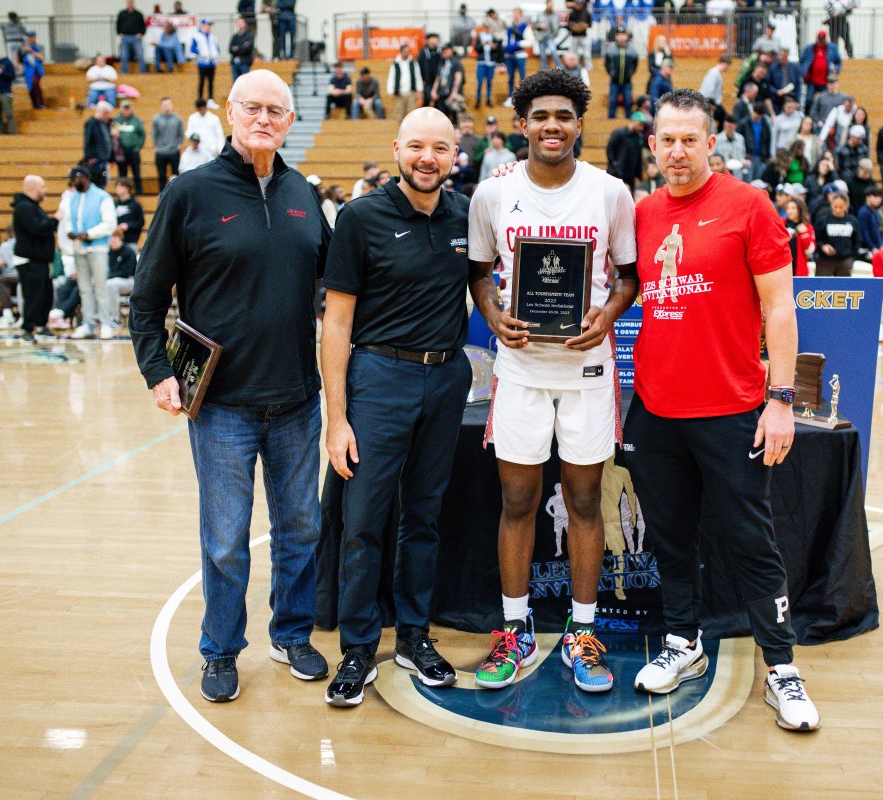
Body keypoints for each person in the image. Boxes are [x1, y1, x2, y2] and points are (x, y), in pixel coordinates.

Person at [130, 69, 332, 704]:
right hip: (220, 406)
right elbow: (145, 298)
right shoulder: (189, 193)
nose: (264, 119)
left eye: (277, 110)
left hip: (298, 399)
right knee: (224, 540)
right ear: (228, 111)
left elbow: (340, 281)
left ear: (290, 122)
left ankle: (292, 633)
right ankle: (220, 649)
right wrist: (158, 372)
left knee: (301, 528)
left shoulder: (304, 194)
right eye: (253, 107)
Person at [623, 87, 819, 731]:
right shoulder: (644, 212)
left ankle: (782, 667)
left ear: (712, 143)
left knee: (749, 539)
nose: (677, 151)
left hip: (732, 409)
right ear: (652, 146)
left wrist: (781, 399)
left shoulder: (749, 205)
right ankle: (685, 642)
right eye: (666, 139)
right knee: (672, 539)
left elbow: (781, 309)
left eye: (690, 139)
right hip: (656, 409)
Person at [467, 68, 638, 695]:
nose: (552, 126)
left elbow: (629, 277)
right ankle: (514, 630)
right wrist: (492, 316)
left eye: (564, 116)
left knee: (586, 502)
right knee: (517, 503)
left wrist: (608, 316)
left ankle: (582, 630)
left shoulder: (610, 192)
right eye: (540, 116)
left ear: (579, 124)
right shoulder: (493, 194)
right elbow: (479, 272)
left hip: (589, 372)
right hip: (520, 371)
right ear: (522, 124)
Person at [320, 107, 473, 707]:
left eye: (440, 147)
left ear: (455, 153)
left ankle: (412, 635)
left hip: (445, 379)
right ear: (397, 149)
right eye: (416, 147)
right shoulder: (359, 218)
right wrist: (338, 418)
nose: (427, 158)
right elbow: (335, 324)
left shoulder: (467, 213)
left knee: (425, 518)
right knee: (363, 521)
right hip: (378, 378)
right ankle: (358, 647)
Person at [59, 165, 117, 340]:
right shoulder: (72, 198)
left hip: (97, 248)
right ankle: (88, 324)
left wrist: (89, 234)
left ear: (83, 177)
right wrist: (70, 231)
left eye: (75, 179)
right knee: (84, 288)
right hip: (78, 248)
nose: (73, 182)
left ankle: (106, 324)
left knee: (100, 286)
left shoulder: (102, 197)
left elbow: (109, 224)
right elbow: (68, 220)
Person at [9, 175, 56, 342]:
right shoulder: (23, 207)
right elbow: (37, 229)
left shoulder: (33, 207)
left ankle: (42, 326)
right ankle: (27, 329)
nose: (46, 190)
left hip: (40, 260)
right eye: (43, 187)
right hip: (29, 260)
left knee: (45, 295)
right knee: (33, 296)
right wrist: (55, 220)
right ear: (33, 188)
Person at [813, 191, 860, 276]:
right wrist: (823, 246)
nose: (838, 210)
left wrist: (852, 258)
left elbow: (857, 241)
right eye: (835, 206)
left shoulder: (853, 221)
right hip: (825, 261)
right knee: (821, 287)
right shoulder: (823, 219)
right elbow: (816, 238)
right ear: (831, 205)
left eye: (841, 207)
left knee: (842, 288)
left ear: (846, 206)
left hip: (845, 260)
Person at [800, 31, 841, 116]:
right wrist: (804, 72)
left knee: (825, 100)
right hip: (812, 80)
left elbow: (838, 62)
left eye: (823, 39)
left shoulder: (832, 48)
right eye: (819, 39)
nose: (821, 41)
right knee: (809, 100)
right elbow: (802, 61)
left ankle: (824, 117)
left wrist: (835, 70)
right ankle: (807, 118)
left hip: (826, 81)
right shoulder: (810, 48)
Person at [607, 111, 649, 190]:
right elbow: (610, 150)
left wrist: (638, 176)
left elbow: (638, 157)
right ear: (633, 121)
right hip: (615, 175)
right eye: (640, 124)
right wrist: (614, 165)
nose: (642, 128)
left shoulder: (638, 137)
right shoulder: (619, 133)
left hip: (630, 176)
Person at [103, 231, 138, 326]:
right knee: (99, 283)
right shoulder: (108, 252)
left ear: (120, 239)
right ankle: (99, 316)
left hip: (129, 281)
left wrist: (108, 277)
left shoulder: (128, 251)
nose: (112, 241)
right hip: (112, 279)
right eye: (111, 239)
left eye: (115, 239)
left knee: (110, 284)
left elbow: (127, 272)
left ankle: (114, 318)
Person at [605, 27, 638, 119]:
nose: (621, 37)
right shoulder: (611, 49)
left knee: (628, 102)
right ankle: (610, 121)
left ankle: (629, 120)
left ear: (627, 36)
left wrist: (631, 73)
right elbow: (607, 63)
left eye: (623, 35)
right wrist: (611, 73)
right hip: (614, 82)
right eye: (619, 35)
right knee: (612, 102)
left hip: (627, 82)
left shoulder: (632, 49)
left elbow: (635, 63)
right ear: (616, 36)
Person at [114, 102, 146, 196]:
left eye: (128, 108)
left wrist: (138, 147)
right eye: (124, 108)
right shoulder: (116, 120)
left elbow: (142, 135)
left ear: (131, 109)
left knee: (136, 173)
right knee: (122, 175)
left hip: (133, 151)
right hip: (121, 152)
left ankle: (139, 192)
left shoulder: (136, 120)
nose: (126, 110)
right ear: (121, 109)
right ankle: (122, 193)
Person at [152, 97, 184, 192]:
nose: (167, 107)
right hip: (161, 151)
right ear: (161, 106)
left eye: (169, 104)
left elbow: (181, 133)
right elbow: (154, 134)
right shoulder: (156, 119)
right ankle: (162, 193)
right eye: (164, 105)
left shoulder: (178, 118)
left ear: (172, 105)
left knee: (176, 175)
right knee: (161, 176)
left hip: (174, 150)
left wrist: (179, 144)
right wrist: (156, 147)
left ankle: (177, 192)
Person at [432, 43, 466, 125]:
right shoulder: (442, 62)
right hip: (441, 94)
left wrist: (455, 91)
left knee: (453, 118)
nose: (444, 52)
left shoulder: (456, 62)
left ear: (451, 50)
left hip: (451, 94)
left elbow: (458, 77)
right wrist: (434, 90)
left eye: (446, 50)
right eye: (443, 50)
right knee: (441, 117)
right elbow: (438, 77)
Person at [83, 101, 114, 189]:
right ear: (102, 112)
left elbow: (107, 142)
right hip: (96, 160)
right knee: (98, 183)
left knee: (104, 181)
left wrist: (111, 158)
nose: (107, 116)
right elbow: (87, 141)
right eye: (106, 114)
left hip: (103, 159)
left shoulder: (103, 123)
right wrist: (88, 157)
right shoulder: (91, 123)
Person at [388, 43, 423, 120]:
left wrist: (419, 90)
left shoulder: (413, 63)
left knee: (412, 114)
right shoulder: (395, 64)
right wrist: (391, 92)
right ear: (401, 52)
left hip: (411, 92)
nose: (406, 53)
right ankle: (402, 131)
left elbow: (418, 77)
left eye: (408, 51)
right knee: (400, 114)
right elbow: (391, 78)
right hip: (399, 93)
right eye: (405, 51)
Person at [504, 8, 531, 105]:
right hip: (509, 56)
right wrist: (507, 47)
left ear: (520, 15)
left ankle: (523, 97)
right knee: (510, 77)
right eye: (514, 14)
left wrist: (518, 44)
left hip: (520, 55)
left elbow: (530, 41)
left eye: (517, 14)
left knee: (522, 76)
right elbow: (506, 39)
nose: (515, 15)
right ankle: (510, 97)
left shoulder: (525, 27)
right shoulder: (510, 27)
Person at [191, 18, 220, 103]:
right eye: (207, 25)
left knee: (211, 81)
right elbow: (193, 48)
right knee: (202, 81)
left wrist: (215, 56)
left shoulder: (213, 37)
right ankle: (200, 99)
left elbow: (217, 48)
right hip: (202, 62)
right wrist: (201, 53)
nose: (209, 27)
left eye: (210, 25)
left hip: (211, 62)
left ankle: (210, 99)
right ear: (203, 25)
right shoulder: (197, 36)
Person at [473, 24, 501, 108]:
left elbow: (498, 49)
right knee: (480, 82)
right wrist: (482, 44)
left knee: (489, 82)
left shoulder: (493, 37)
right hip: (481, 62)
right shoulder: (480, 36)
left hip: (491, 63)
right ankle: (478, 100)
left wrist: (494, 47)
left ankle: (488, 100)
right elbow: (476, 48)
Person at [116, 0, 147, 74]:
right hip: (125, 37)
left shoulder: (138, 14)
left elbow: (143, 25)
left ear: (133, 3)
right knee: (124, 56)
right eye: (129, 2)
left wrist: (141, 33)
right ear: (126, 3)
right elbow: (118, 24)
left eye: (131, 2)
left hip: (136, 38)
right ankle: (124, 72)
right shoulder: (122, 14)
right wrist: (119, 33)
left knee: (140, 55)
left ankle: (143, 72)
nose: (130, 4)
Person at [113, 178, 144, 246]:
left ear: (127, 188)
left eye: (120, 186)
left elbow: (140, 222)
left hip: (130, 241)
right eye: (117, 186)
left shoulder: (135, 205)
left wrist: (128, 225)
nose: (118, 188)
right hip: (116, 241)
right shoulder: (114, 204)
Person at [699, 55, 732, 121]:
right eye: (728, 65)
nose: (728, 68)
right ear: (724, 63)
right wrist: (711, 104)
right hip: (711, 103)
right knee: (725, 120)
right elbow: (708, 90)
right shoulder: (714, 73)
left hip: (712, 103)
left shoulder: (716, 73)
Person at [857, 185, 883, 251]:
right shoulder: (863, 212)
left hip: (875, 247)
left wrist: (879, 245)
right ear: (867, 197)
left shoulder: (874, 211)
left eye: (880, 197)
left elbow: (876, 231)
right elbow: (864, 232)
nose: (879, 200)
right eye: (876, 197)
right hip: (866, 249)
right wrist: (872, 248)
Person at [21, 31, 46, 109]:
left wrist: (31, 51)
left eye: (31, 36)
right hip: (28, 70)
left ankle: (40, 102)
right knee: (30, 87)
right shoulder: (24, 47)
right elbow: (19, 58)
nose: (29, 38)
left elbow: (41, 57)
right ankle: (35, 104)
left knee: (35, 82)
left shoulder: (39, 47)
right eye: (28, 37)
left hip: (36, 69)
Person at [418, 33, 442, 108]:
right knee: (426, 101)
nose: (435, 40)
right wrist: (422, 80)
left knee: (438, 103)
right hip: (427, 82)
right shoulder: (423, 52)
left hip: (438, 81)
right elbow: (420, 67)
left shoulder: (440, 51)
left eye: (436, 38)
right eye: (433, 38)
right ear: (428, 40)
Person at [566, 0, 592, 70]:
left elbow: (590, 24)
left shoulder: (586, 12)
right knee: (574, 53)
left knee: (587, 53)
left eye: (580, 3)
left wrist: (584, 25)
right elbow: (568, 26)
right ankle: (575, 67)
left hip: (584, 35)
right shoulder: (572, 13)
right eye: (577, 3)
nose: (578, 5)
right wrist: (573, 27)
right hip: (574, 36)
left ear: (582, 4)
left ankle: (589, 68)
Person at [535, 0, 560, 70]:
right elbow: (534, 25)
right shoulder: (540, 14)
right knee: (542, 55)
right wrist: (540, 26)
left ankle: (559, 68)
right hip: (541, 37)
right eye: (549, 5)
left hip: (550, 37)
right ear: (546, 5)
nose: (550, 7)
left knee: (553, 51)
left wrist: (555, 34)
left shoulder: (556, 15)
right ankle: (544, 70)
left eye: (551, 5)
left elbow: (558, 27)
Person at [230, 17, 255, 83]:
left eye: (242, 22)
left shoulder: (249, 36)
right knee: (236, 83)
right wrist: (242, 47)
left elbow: (247, 48)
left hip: (244, 62)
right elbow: (230, 49)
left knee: (246, 83)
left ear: (245, 24)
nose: (240, 24)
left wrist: (237, 48)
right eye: (238, 22)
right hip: (235, 63)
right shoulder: (235, 36)